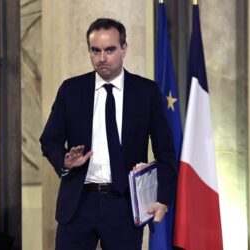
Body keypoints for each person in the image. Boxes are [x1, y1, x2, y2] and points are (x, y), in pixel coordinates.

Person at [40, 18, 176, 250]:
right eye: (96, 50)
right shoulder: (71, 90)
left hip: (124, 204)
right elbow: (49, 140)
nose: (102, 58)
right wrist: (64, 159)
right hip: (78, 204)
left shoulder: (146, 92)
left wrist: (163, 199)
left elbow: (166, 152)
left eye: (110, 50)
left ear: (124, 48)